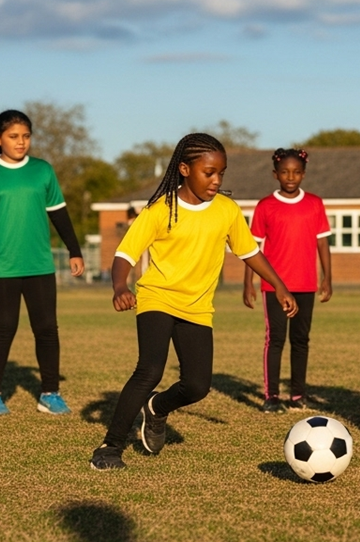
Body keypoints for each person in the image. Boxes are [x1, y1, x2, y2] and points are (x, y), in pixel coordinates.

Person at [91, 133, 297, 470]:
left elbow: (250, 252)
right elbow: (125, 254)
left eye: (221, 174)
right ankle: (110, 447)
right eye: (209, 173)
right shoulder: (160, 209)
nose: (216, 181)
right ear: (185, 169)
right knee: (149, 370)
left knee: (198, 386)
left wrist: (279, 285)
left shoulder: (227, 211)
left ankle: (156, 408)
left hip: (198, 307)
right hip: (158, 297)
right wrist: (119, 286)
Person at [0, 109, 84, 417]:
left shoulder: (42, 170)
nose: (21, 142)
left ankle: (50, 394)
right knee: (4, 327)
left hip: (39, 264)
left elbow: (59, 214)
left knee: (47, 328)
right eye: (13, 136)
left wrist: (74, 250)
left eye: (26, 136)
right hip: (2, 265)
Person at [244, 148, 332, 412]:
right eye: (284, 172)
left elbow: (323, 243)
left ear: (303, 174)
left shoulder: (314, 203)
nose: (290, 177)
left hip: (306, 284)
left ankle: (298, 395)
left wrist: (327, 277)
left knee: (301, 340)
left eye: (296, 172)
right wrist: (248, 283)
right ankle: (271, 396)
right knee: (276, 340)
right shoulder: (265, 206)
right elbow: (252, 249)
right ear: (275, 174)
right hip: (274, 287)